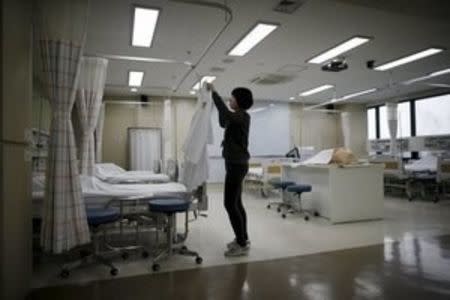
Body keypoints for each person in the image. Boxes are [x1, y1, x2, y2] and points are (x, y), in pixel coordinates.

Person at [206, 82, 253, 257]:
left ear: (239, 101)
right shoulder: (236, 117)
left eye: (232, 98)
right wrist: (216, 105)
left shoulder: (243, 116)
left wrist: (214, 94)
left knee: (229, 204)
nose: (229, 100)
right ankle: (243, 239)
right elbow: (222, 121)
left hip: (237, 165)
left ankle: (241, 244)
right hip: (235, 164)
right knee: (237, 203)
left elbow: (226, 114)